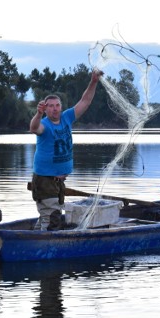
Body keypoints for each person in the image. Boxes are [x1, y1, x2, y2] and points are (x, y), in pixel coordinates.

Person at [29, 68, 104, 230]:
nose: (54, 108)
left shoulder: (66, 118)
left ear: (61, 107)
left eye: (57, 105)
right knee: (52, 220)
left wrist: (93, 82)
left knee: (48, 216)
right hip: (45, 181)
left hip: (58, 181)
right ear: (45, 109)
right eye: (50, 106)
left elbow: (85, 101)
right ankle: (42, 247)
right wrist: (38, 114)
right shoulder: (45, 125)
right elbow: (34, 128)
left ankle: (34, 237)